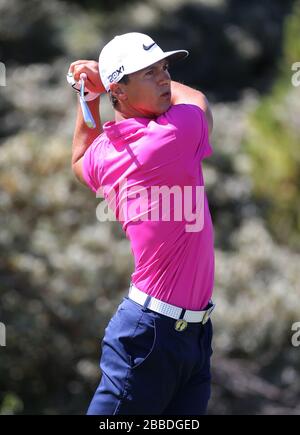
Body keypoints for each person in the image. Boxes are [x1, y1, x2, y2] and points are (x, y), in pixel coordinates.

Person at [67, 32, 215, 415]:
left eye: (164, 68)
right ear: (121, 90)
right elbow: (198, 100)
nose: (165, 78)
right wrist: (101, 83)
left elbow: (79, 158)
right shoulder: (171, 134)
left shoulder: (106, 153)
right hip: (150, 337)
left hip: (190, 335)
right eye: (149, 73)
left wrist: (91, 97)